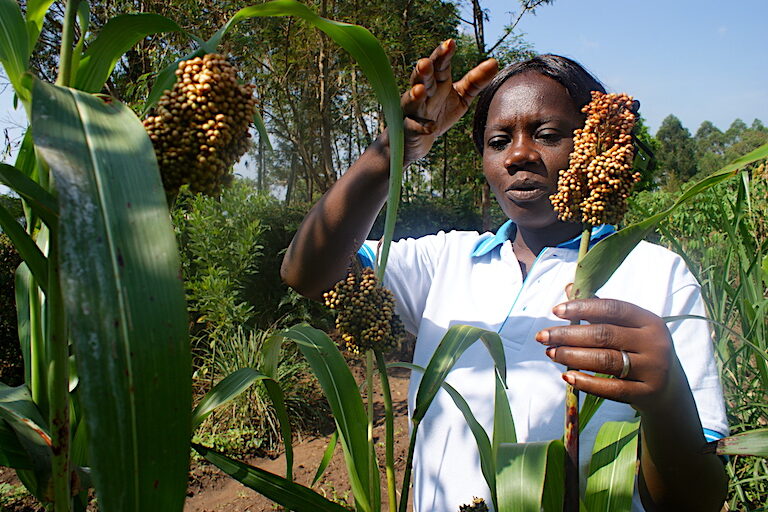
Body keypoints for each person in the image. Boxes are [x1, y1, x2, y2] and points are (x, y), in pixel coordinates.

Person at [280, 40, 728, 511]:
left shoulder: (656, 275)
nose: (519, 155)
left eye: (549, 134)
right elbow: (304, 271)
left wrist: (666, 399)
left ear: (595, 146)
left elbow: (697, 498)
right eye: (498, 142)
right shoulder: (447, 260)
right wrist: (387, 153)